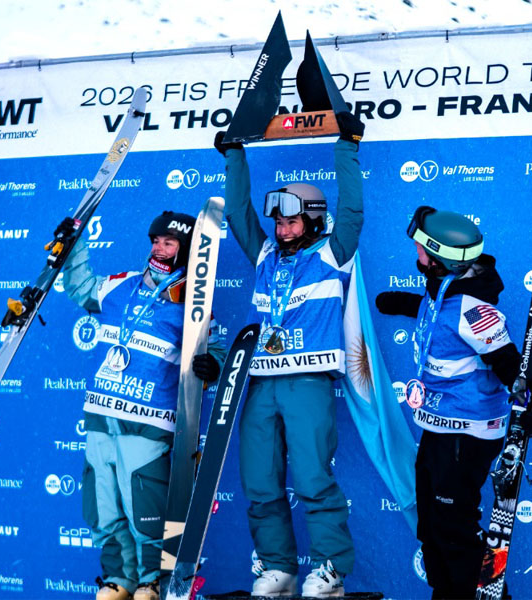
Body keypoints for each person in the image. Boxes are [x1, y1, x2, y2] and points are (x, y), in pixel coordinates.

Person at [213, 110, 364, 597]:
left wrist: (347, 144)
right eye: (277, 220)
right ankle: (278, 567)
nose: (280, 228)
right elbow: (237, 214)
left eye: (291, 220)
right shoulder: (264, 256)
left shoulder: (332, 253)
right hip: (258, 381)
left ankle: (330, 570)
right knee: (259, 480)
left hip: (308, 381)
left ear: (315, 219)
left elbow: (354, 210)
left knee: (315, 478)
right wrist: (235, 154)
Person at [375, 207, 532, 599]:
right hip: (438, 427)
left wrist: (531, 405)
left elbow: (506, 362)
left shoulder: (474, 310)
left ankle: (487, 595)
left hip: (467, 433)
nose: (416, 253)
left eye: (421, 247)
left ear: (440, 257)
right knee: (432, 527)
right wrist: (406, 304)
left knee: (453, 527)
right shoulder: (443, 291)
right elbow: (439, 315)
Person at [58, 211, 227, 600]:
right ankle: (119, 579)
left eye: (169, 243)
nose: (159, 248)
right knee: (103, 505)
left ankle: (152, 580)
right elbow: (82, 286)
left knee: (143, 507)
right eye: (155, 240)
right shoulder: (123, 285)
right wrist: (74, 244)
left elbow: (214, 346)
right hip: (102, 416)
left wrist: (212, 364)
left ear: (184, 251)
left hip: (150, 419)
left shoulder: (192, 302)